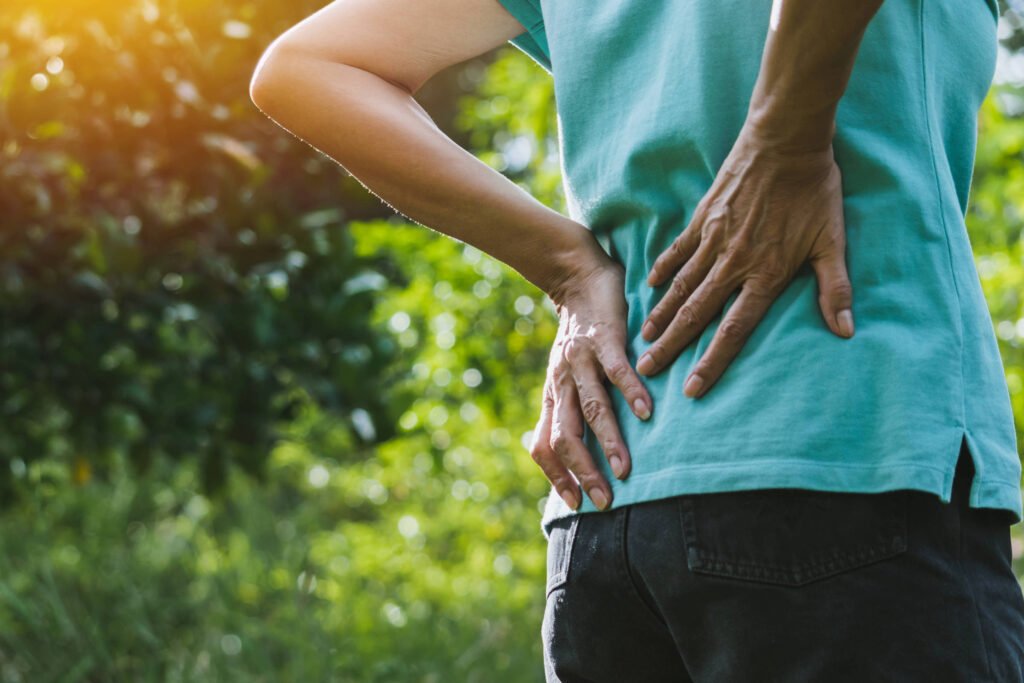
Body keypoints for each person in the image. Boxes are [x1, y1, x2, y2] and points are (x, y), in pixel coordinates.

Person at [248, 0, 1024, 678]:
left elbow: (312, 67)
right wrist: (783, 141)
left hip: (609, 524)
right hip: (848, 460)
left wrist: (569, 267)